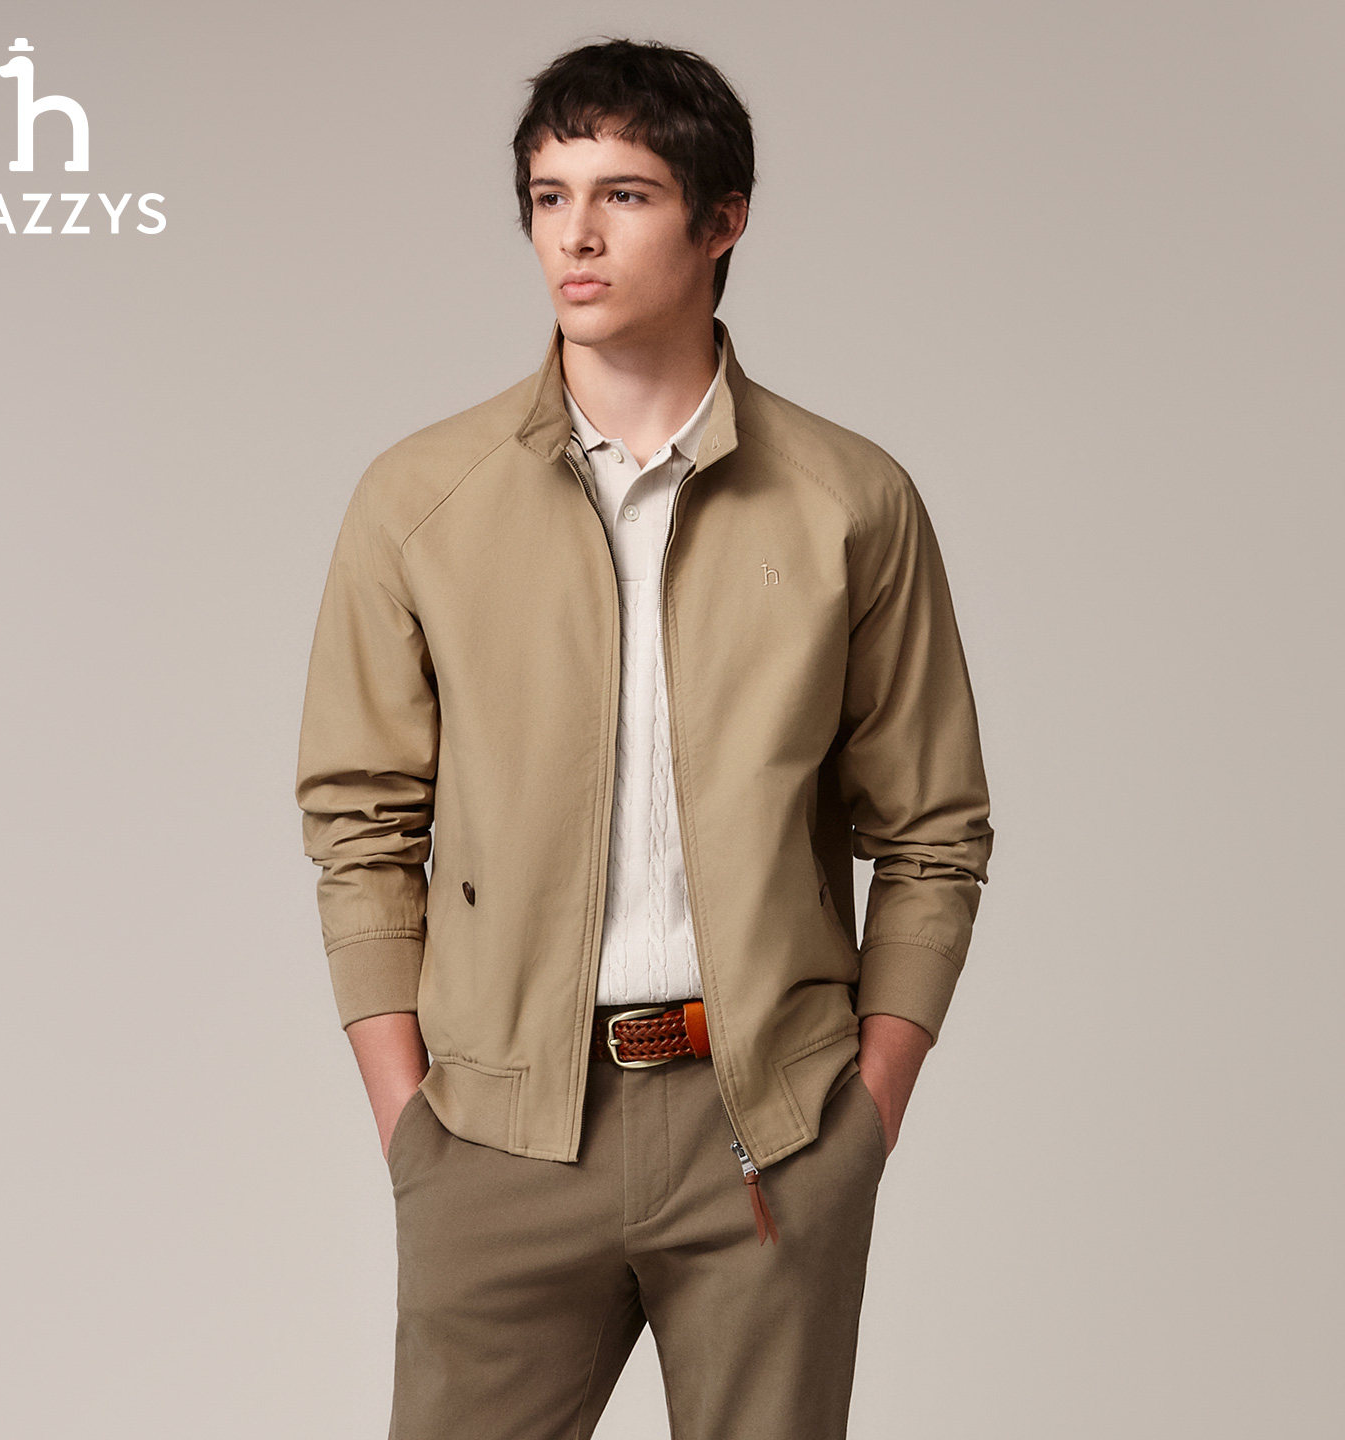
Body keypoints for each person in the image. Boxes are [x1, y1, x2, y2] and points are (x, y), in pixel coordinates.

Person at [294, 35, 993, 1440]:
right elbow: (359, 824)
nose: (576, 236)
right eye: (549, 197)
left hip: (771, 1131)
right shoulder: (418, 501)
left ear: (723, 220)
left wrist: (863, 1116)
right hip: (497, 1135)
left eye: (624, 194)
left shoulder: (851, 503)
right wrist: (412, 1124)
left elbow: (932, 833)